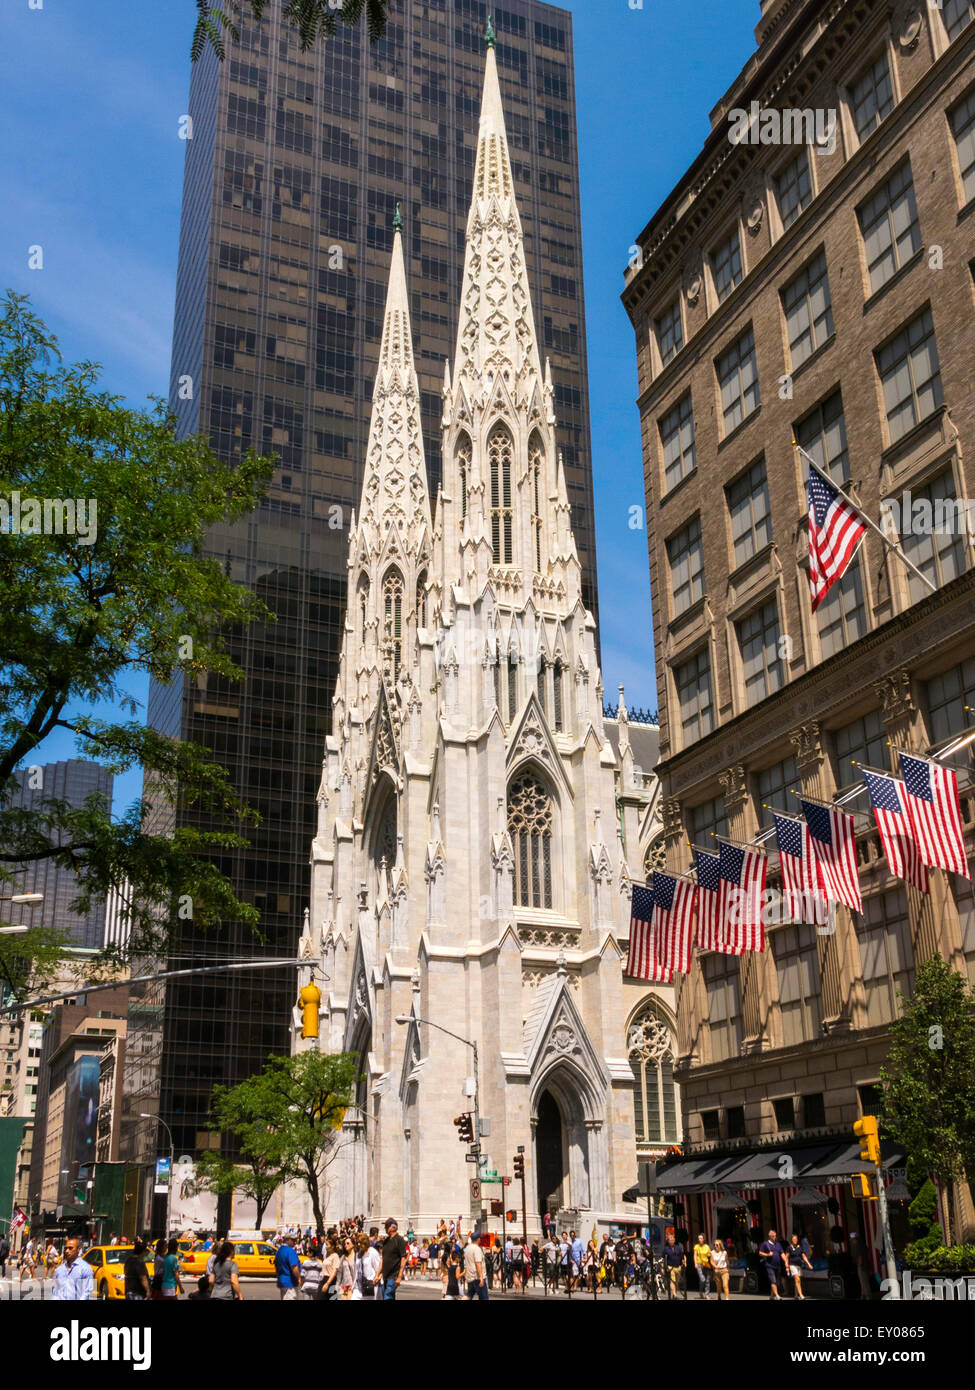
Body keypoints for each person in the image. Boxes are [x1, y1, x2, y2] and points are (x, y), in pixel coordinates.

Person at [50, 1236, 94, 1301]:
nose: (67, 1251)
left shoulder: (85, 1269)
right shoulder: (60, 1270)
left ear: (78, 1250)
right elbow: (55, 1292)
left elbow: (87, 1293)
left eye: (70, 1248)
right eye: (66, 1248)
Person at [376, 1217, 408, 1300]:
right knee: (384, 1296)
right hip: (385, 1275)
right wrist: (378, 1274)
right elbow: (383, 1258)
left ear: (393, 1227)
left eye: (387, 1226)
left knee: (388, 1296)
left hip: (393, 1275)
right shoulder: (386, 1241)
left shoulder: (399, 1240)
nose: (385, 1228)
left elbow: (403, 1258)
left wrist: (400, 1276)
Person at [274, 1232, 304, 1301]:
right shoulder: (290, 1251)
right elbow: (294, 1267)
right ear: (287, 1240)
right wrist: (299, 1278)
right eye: (293, 1240)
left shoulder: (279, 1250)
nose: (295, 1242)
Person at [759, 1229, 785, 1300]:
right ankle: (777, 1295)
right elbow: (760, 1252)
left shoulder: (778, 1244)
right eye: (773, 1236)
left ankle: (771, 1296)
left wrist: (786, 1261)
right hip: (769, 1265)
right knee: (773, 1280)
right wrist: (767, 1254)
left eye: (775, 1236)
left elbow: (782, 1253)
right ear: (769, 1236)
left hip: (778, 1266)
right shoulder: (765, 1244)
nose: (774, 1237)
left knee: (776, 1282)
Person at [788, 1232, 813, 1300]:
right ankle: (801, 1295)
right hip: (792, 1265)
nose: (795, 1240)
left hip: (799, 1265)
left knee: (798, 1281)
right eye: (794, 1239)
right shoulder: (789, 1248)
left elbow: (804, 1256)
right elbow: (786, 1257)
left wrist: (809, 1264)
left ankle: (796, 1295)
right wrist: (787, 1267)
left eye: (796, 1239)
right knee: (797, 1279)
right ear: (791, 1240)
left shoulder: (800, 1247)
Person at [463, 1235, 488, 1300]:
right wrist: (481, 1277)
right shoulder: (477, 1249)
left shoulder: (467, 1248)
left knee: (469, 1295)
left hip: (470, 1276)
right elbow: (478, 1263)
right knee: (484, 1297)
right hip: (477, 1277)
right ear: (478, 1239)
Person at [663, 1233, 685, 1299]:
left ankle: (674, 1294)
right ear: (668, 1241)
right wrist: (662, 1268)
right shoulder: (666, 1249)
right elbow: (662, 1258)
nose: (672, 1241)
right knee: (672, 1280)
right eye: (670, 1240)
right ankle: (675, 1295)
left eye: (673, 1240)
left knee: (676, 1282)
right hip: (670, 1267)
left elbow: (683, 1256)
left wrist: (685, 1262)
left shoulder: (678, 1248)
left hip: (678, 1267)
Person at [693, 1232, 712, 1300]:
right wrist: (695, 1263)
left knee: (707, 1280)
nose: (700, 1239)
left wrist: (709, 1255)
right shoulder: (696, 1246)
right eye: (699, 1238)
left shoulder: (707, 1246)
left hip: (706, 1264)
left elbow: (709, 1254)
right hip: (699, 1264)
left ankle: (707, 1294)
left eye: (701, 1238)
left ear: (703, 1239)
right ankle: (701, 1292)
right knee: (702, 1279)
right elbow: (695, 1255)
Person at [338, 1235, 358, 1299]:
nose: (346, 1245)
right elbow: (340, 1272)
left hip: (353, 1285)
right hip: (344, 1285)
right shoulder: (343, 1257)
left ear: (353, 1245)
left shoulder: (356, 1256)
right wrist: (337, 1284)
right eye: (345, 1244)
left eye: (348, 1243)